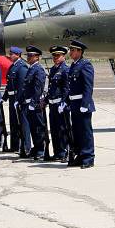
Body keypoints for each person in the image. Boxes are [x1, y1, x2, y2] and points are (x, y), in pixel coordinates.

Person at [66, 40, 95, 169]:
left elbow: (88, 86)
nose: (70, 52)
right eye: (70, 50)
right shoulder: (74, 65)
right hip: (74, 103)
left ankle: (88, 157)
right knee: (76, 131)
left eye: (73, 50)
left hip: (82, 103)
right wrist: (67, 101)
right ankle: (80, 155)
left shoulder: (85, 65)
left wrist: (85, 103)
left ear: (79, 51)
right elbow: (70, 86)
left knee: (85, 132)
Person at [21, 46, 47, 159]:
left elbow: (38, 88)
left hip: (35, 104)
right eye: (28, 55)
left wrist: (33, 102)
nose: (28, 57)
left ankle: (40, 150)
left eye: (31, 56)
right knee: (32, 127)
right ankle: (36, 148)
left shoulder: (38, 69)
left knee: (38, 128)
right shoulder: (31, 69)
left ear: (37, 57)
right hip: (29, 103)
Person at [45, 46, 70, 162]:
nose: (55, 58)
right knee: (54, 130)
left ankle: (65, 152)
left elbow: (66, 88)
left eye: (58, 56)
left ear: (63, 56)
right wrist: (45, 100)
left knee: (62, 129)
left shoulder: (65, 69)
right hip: (52, 104)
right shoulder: (53, 70)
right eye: (54, 56)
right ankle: (58, 152)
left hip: (60, 104)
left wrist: (64, 102)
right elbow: (51, 88)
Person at [2, 47, 28, 153]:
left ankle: (24, 146)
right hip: (12, 98)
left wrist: (19, 99)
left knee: (21, 123)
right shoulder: (12, 66)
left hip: (17, 98)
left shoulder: (22, 67)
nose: (10, 55)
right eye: (10, 54)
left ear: (18, 55)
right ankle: (14, 146)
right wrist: (4, 98)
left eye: (12, 54)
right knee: (13, 122)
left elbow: (22, 86)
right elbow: (9, 85)